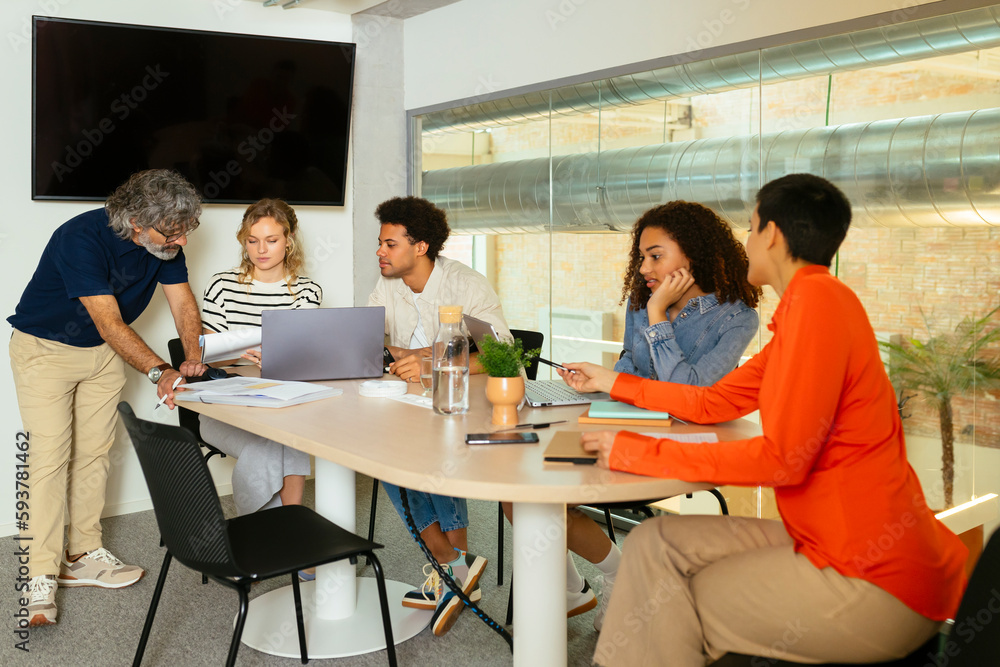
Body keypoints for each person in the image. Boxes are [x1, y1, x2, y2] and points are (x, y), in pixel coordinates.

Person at [559, 174, 968, 666]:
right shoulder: (808, 309)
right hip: (825, 540)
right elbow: (712, 402)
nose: (746, 242)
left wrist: (632, 449)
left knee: (664, 604)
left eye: (750, 229)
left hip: (871, 576)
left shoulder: (819, 309)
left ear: (771, 234)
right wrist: (611, 381)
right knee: (652, 540)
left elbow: (785, 461)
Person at [512, 200, 764, 632]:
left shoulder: (736, 317)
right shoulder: (641, 300)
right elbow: (632, 368)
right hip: (620, 421)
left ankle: (604, 581)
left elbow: (689, 394)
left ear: (692, 254)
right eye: (641, 256)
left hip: (675, 441)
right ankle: (594, 582)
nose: (644, 267)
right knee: (520, 493)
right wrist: (600, 381)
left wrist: (655, 315)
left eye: (655, 255)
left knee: (541, 497)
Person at [9, 169, 207, 627]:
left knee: (96, 452)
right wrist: (160, 371)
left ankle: (82, 552)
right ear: (136, 221)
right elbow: (110, 323)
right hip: (46, 350)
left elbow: (182, 303)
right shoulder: (80, 237)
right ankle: (39, 574)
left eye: (185, 230)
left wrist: (193, 357)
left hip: (102, 355)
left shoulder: (167, 243)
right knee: (48, 457)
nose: (178, 240)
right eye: (170, 232)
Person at [367, 195, 509, 637]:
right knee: (379, 452)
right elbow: (371, 341)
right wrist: (400, 356)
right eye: (380, 243)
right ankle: (454, 565)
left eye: (390, 244)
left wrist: (435, 362)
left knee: (431, 448)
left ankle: (453, 569)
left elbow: (503, 358)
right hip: (409, 401)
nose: (380, 252)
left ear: (421, 246)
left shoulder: (466, 285)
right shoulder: (386, 285)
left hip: (466, 404)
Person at [199, 198, 322, 519]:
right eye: (252, 241)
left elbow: (305, 358)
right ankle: (269, 530)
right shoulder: (222, 286)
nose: (260, 250)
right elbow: (210, 359)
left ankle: (288, 529)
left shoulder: (307, 291)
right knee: (270, 446)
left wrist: (277, 361)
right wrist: (254, 362)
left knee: (290, 435)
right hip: (225, 407)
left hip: (281, 402)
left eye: (271, 240)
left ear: (289, 241)